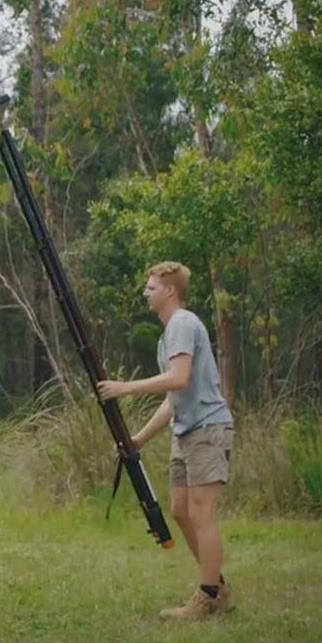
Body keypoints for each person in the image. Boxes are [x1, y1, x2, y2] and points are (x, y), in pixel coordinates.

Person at [96, 261, 234, 620]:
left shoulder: (183, 323)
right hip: (186, 430)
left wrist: (125, 388)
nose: (146, 292)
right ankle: (216, 587)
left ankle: (207, 597)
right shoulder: (168, 335)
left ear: (170, 291)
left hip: (207, 428)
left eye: (151, 287)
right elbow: (172, 400)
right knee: (179, 510)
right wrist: (137, 439)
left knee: (202, 513)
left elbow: (179, 378)